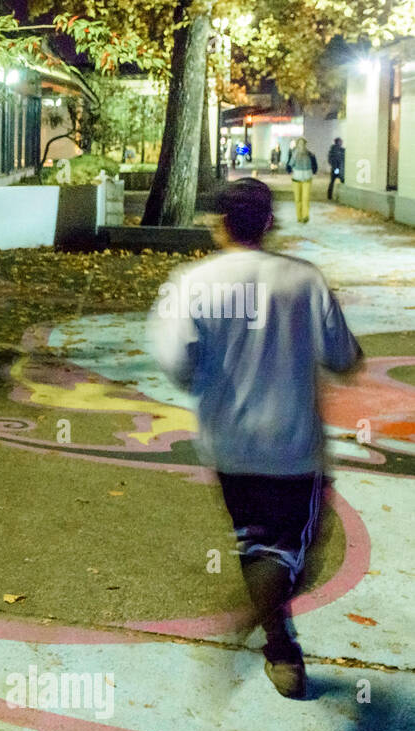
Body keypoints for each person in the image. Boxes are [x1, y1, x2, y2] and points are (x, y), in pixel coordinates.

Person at [147, 178, 362, 698]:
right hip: (293, 446)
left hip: (228, 445)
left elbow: (175, 364)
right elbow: (344, 357)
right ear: (268, 224)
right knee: (295, 551)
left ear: (219, 224)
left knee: (255, 545)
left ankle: (275, 638)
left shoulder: (191, 282)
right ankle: (271, 638)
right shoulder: (303, 281)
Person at [286, 136, 317, 223]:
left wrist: (314, 171)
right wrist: (289, 170)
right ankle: (299, 217)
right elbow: (289, 165)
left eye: (303, 143)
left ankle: (305, 216)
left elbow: (314, 164)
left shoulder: (310, 154)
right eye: (300, 143)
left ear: (305, 144)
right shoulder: (293, 153)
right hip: (296, 179)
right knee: (298, 199)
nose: (301, 145)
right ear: (297, 144)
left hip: (307, 178)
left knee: (306, 198)